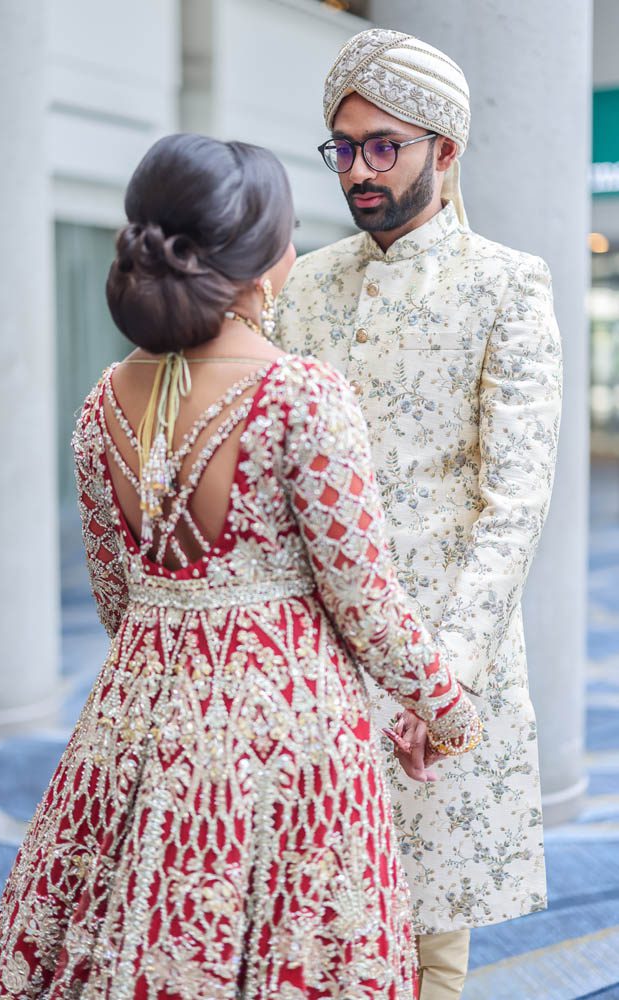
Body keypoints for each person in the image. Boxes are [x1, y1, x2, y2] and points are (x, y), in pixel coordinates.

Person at [0, 132, 480, 1000]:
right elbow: (366, 601)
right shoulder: (300, 394)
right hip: (290, 735)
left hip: (134, 721)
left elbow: (115, 597)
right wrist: (449, 710)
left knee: (122, 934)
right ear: (260, 264)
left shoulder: (101, 403)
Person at [274, 28, 563, 1000]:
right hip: (312, 661)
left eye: (381, 146)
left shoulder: (505, 284)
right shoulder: (305, 283)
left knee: (430, 933)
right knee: (312, 920)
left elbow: (514, 500)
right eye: (342, 147)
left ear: (445, 150)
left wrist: (442, 677)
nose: (356, 170)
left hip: (441, 652)